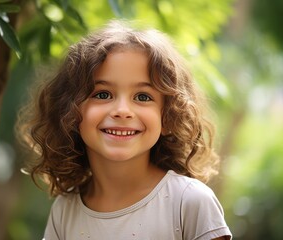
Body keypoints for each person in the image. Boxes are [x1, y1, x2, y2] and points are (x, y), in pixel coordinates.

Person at [17, 20, 232, 240]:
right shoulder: (65, 210)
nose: (122, 111)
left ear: (168, 118)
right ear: (70, 113)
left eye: (142, 97)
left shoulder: (190, 202)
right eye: (102, 94)